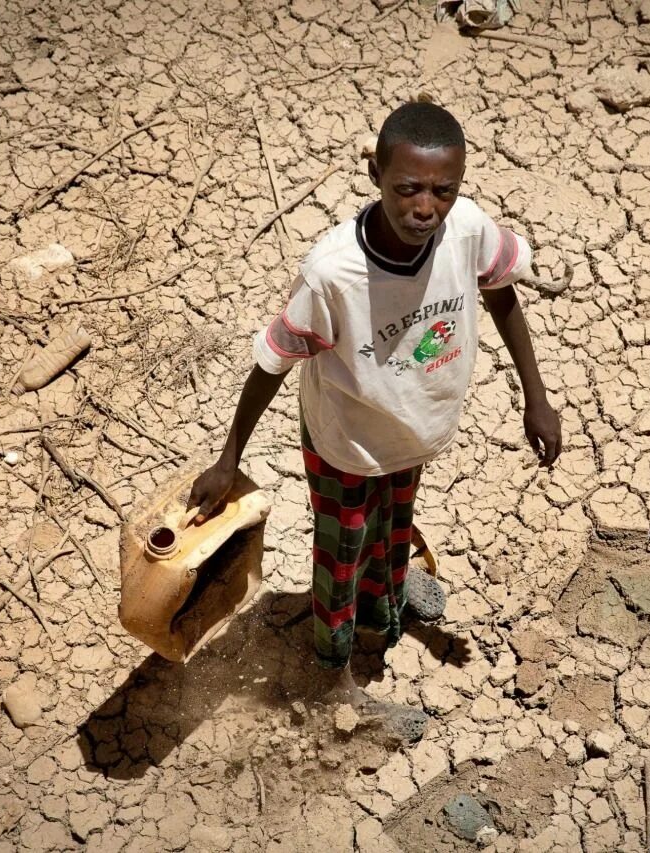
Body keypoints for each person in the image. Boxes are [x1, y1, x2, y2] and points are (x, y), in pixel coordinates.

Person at [187, 100, 561, 738]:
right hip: (347, 444)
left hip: (410, 431)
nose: (425, 208)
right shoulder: (334, 274)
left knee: (396, 523)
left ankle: (386, 611)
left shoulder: (467, 230)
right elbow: (272, 364)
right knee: (341, 555)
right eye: (407, 189)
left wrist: (536, 395)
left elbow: (503, 296)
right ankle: (334, 675)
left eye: (443, 190)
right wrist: (229, 461)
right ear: (376, 177)